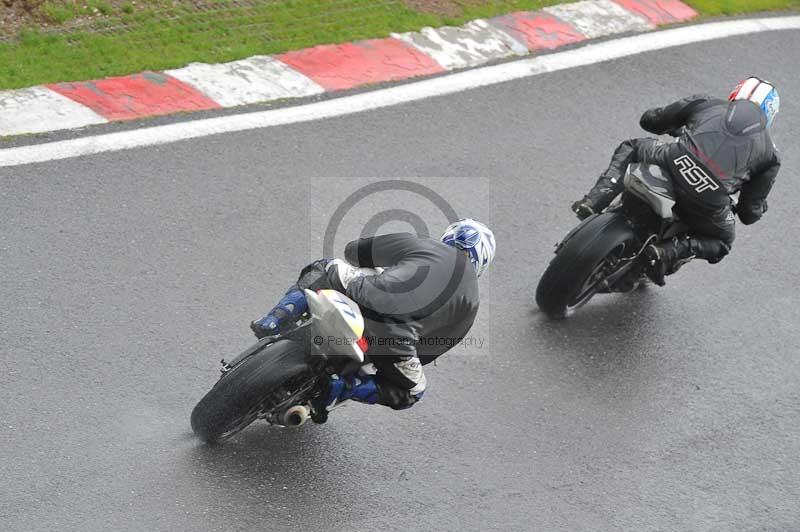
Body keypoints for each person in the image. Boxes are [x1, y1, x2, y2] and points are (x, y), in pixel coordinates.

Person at [250, 219, 496, 410]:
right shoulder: (472, 303)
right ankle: (343, 387)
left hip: (364, 294)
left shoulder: (422, 244)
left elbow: (354, 252)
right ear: (482, 262)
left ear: (449, 236)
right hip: (396, 342)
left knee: (323, 267)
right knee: (413, 391)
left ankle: (275, 319)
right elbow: (431, 350)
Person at [571, 77, 781, 285]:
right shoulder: (770, 155)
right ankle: (665, 252)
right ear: (770, 114)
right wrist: (759, 208)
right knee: (722, 242)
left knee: (633, 146)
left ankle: (594, 200)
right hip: (708, 198)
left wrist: (676, 123)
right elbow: (748, 213)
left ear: (736, 93)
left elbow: (650, 121)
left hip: (672, 160)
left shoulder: (707, 103)